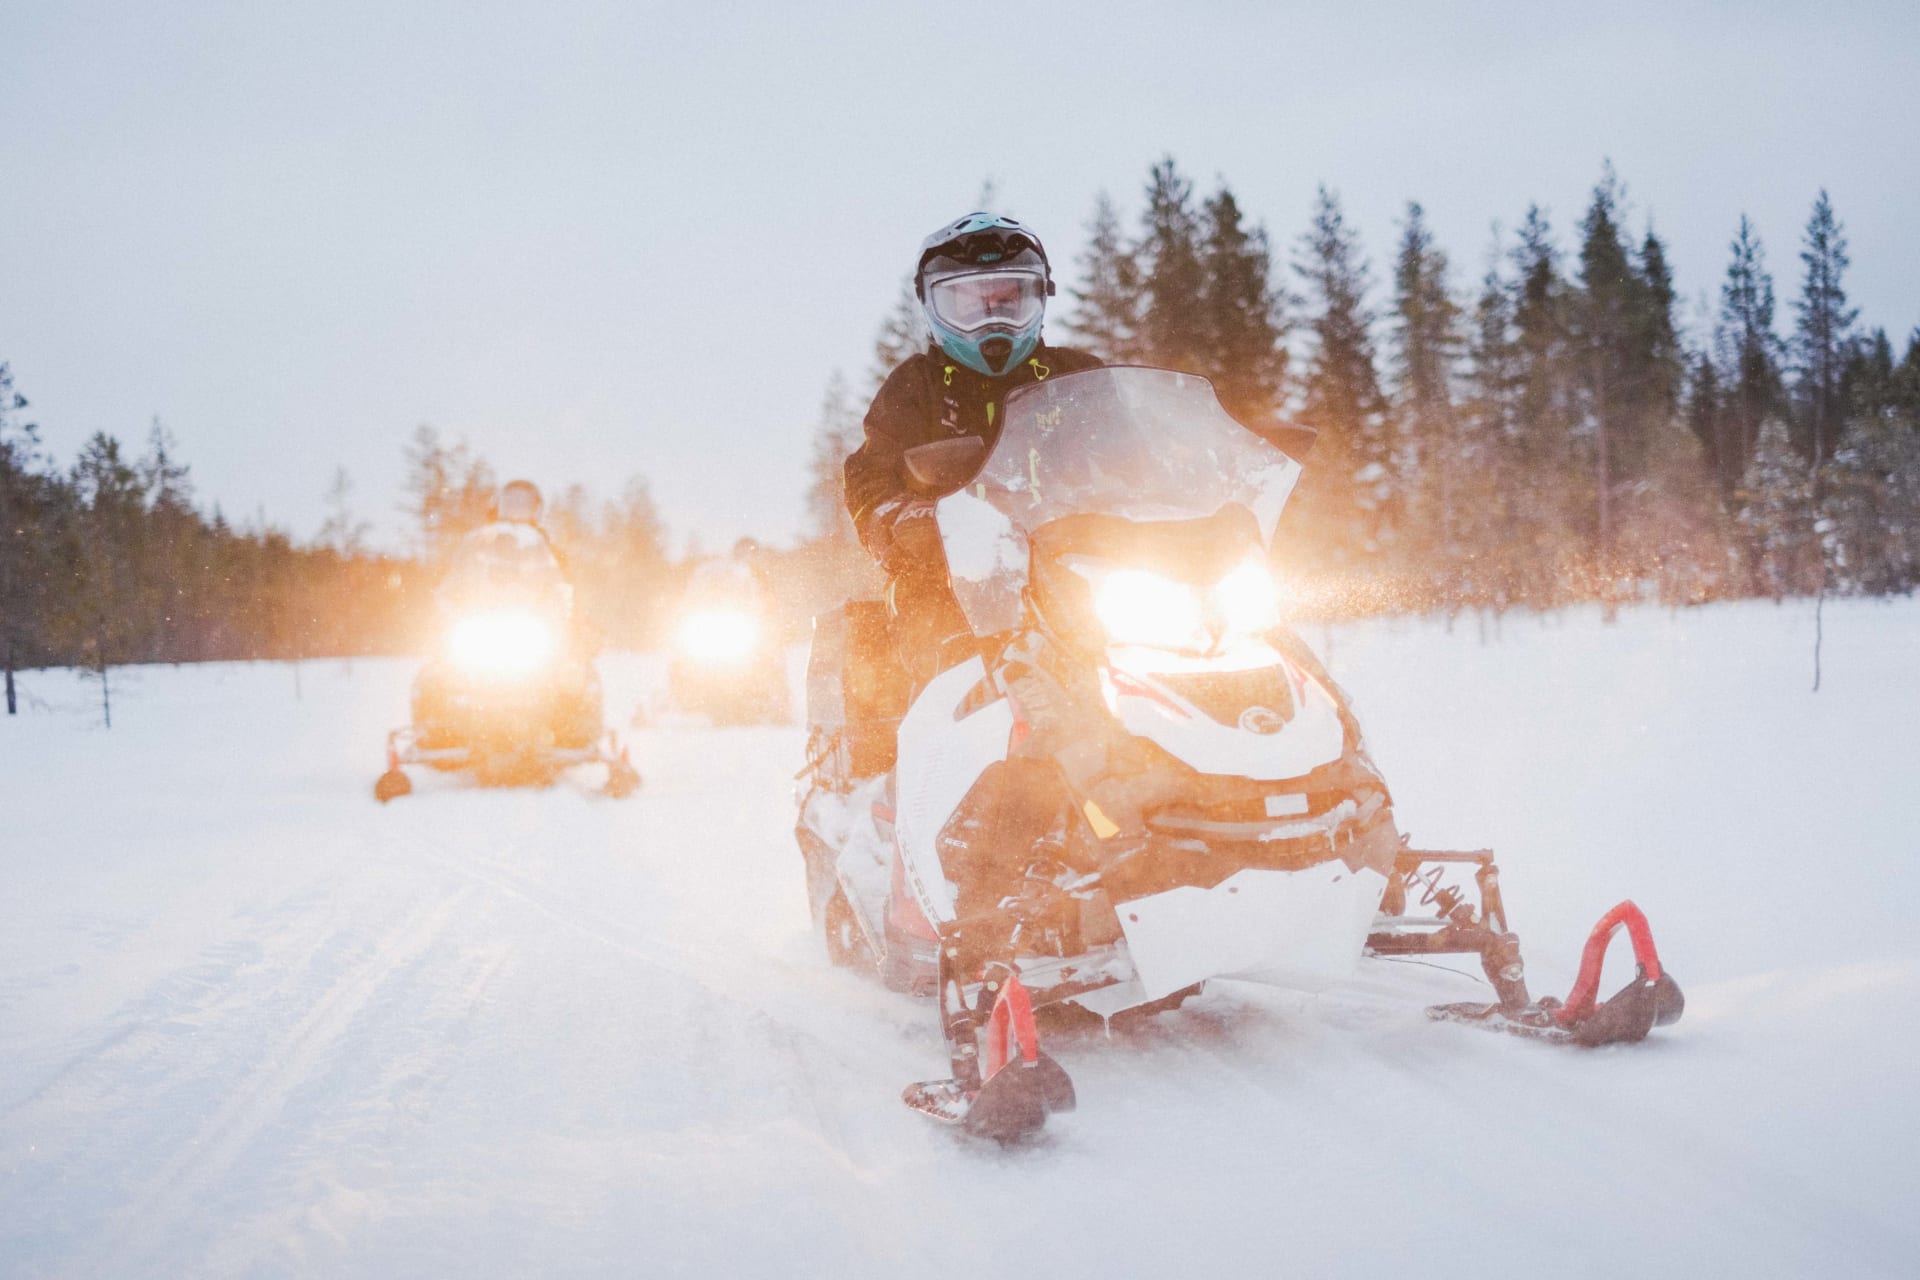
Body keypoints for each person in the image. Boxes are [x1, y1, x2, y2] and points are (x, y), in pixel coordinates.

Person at [844, 213, 1102, 684]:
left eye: (1009, 300)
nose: (993, 318)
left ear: (1039, 298)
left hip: (1080, 565)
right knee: (937, 634)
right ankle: (941, 740)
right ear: (932, 306)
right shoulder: (915, 387)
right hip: (955, 577)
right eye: (971, 304)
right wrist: (897, 519)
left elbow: (1137, 452)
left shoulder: (1080, 379)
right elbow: (870, 475)